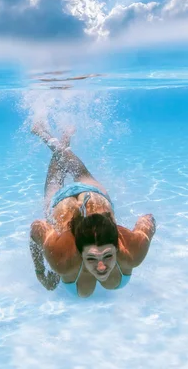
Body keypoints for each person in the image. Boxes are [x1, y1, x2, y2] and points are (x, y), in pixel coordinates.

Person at [29, 122, 156, 298]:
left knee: (63, 173)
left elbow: (148, 220)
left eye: (107, 256)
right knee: (58, 177)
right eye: (91, 258)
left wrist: (123, 229)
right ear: (79, 252)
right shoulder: (62, 256)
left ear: (117, 248)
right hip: (66, 206)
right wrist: (40, 273)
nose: (101, 267)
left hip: (92, 198)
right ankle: (53, 136)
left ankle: (54, 137)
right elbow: (36, 229)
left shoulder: (133, 249)